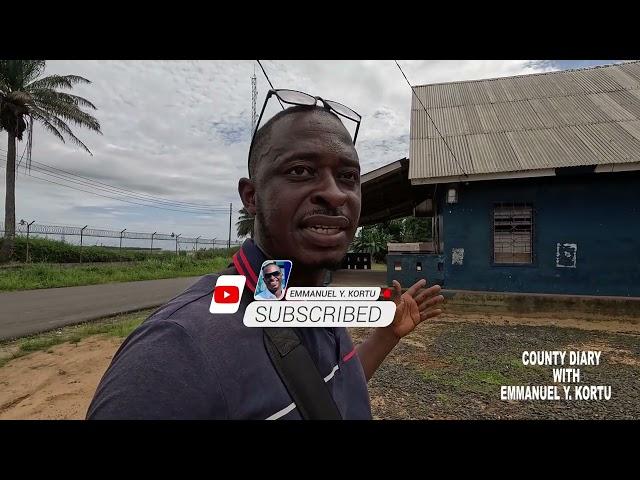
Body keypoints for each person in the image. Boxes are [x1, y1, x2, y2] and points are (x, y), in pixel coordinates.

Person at [87, 96, 444, 420]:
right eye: (301, 171)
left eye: (348, 177)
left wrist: (386, 336)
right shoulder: (175, 351)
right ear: (252, 196)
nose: (335, 194)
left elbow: (321, 394)